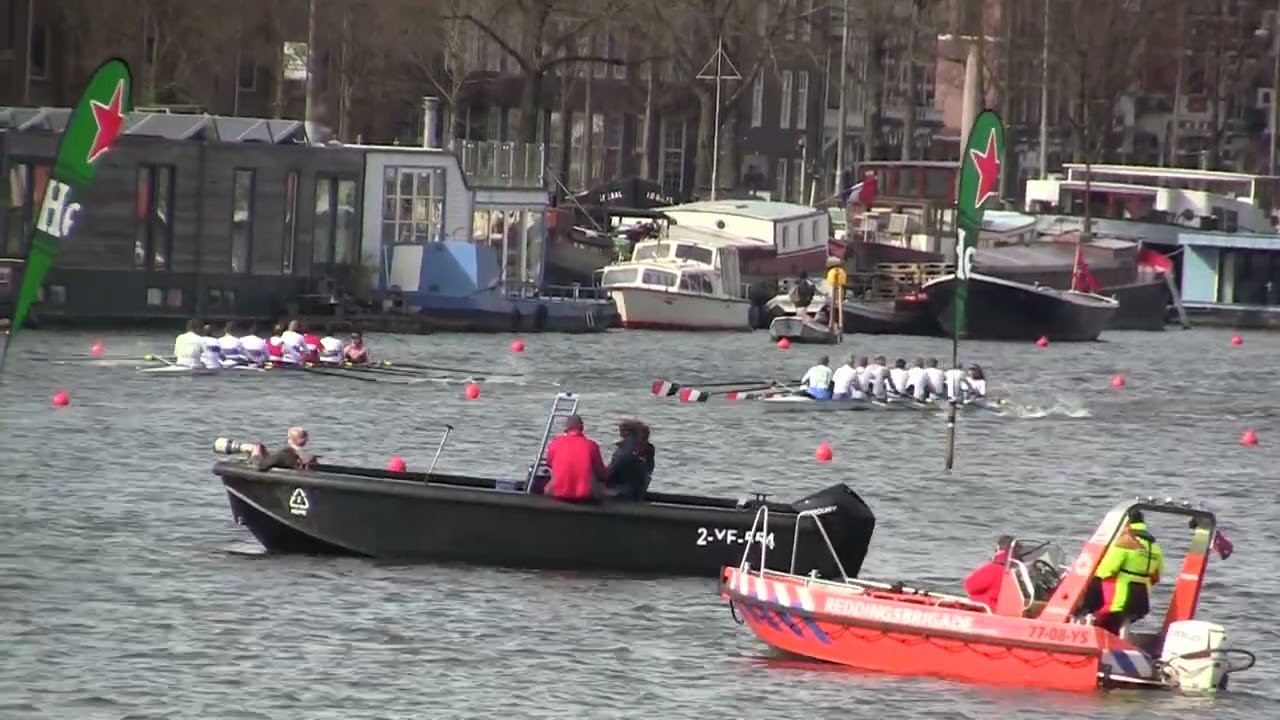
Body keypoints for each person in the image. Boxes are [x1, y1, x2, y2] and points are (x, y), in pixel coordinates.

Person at [1091, 511, 1164, 636]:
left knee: (1092, 588)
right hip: (1141, 599)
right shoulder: (1155, 547)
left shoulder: (1125, 541)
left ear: (1127, 523)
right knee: (1121, 621)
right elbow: (1157, 575)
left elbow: (1107, 569)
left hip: (1118, 598)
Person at [542, 415, 608, 502]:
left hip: (557, 492)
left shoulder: (555, 442)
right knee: (602, 487)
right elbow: (601, 472)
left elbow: (549, 464)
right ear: (582, 427)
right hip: (584, 495)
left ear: (566, 427)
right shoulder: (591, 445)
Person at [605, 419, 656, 501]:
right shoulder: (647, 449)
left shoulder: (625, 451)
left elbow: (612, 470)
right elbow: (649, 469)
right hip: (638, 489)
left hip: (623, 491)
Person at [965, 535, 1014, 609]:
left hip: (987, 608)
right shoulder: (1018, 571)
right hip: (1006, 608)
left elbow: (969, 586)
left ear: (999, 549)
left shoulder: (994, 568)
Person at [250, 426, 316, 471]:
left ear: (290, 440)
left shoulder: (282, 456)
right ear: (305, 441)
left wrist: (255, 455)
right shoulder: (310, 458)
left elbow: (261, 466)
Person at [824, 257, 847, 329]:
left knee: (833, 307)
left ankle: (833, 324)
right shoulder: (841, 271)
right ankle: (837, 324)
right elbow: (843, 282)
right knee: (837, 305)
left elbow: (830, 282)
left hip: (833, 290)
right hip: (840, 289)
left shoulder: (831, 272)